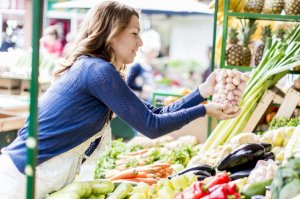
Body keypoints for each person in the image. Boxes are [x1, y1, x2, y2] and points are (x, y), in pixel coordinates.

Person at [0, 1, 240, 198]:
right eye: (135, 33)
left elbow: (153, 114)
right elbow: (152, 127)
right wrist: (204, 110)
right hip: (21, 181)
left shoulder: (95, 70)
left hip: (35, 178)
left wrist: (201, 92)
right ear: (112, 35)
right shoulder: (98, 71)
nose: (141, 42)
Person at [126, 29, 161, 102]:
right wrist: (142, 88)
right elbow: (128, 83)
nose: (155, 54)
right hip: (139, 101)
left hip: (148, 100)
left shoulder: (149, 66)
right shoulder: (137, 66)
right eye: (153, 51)